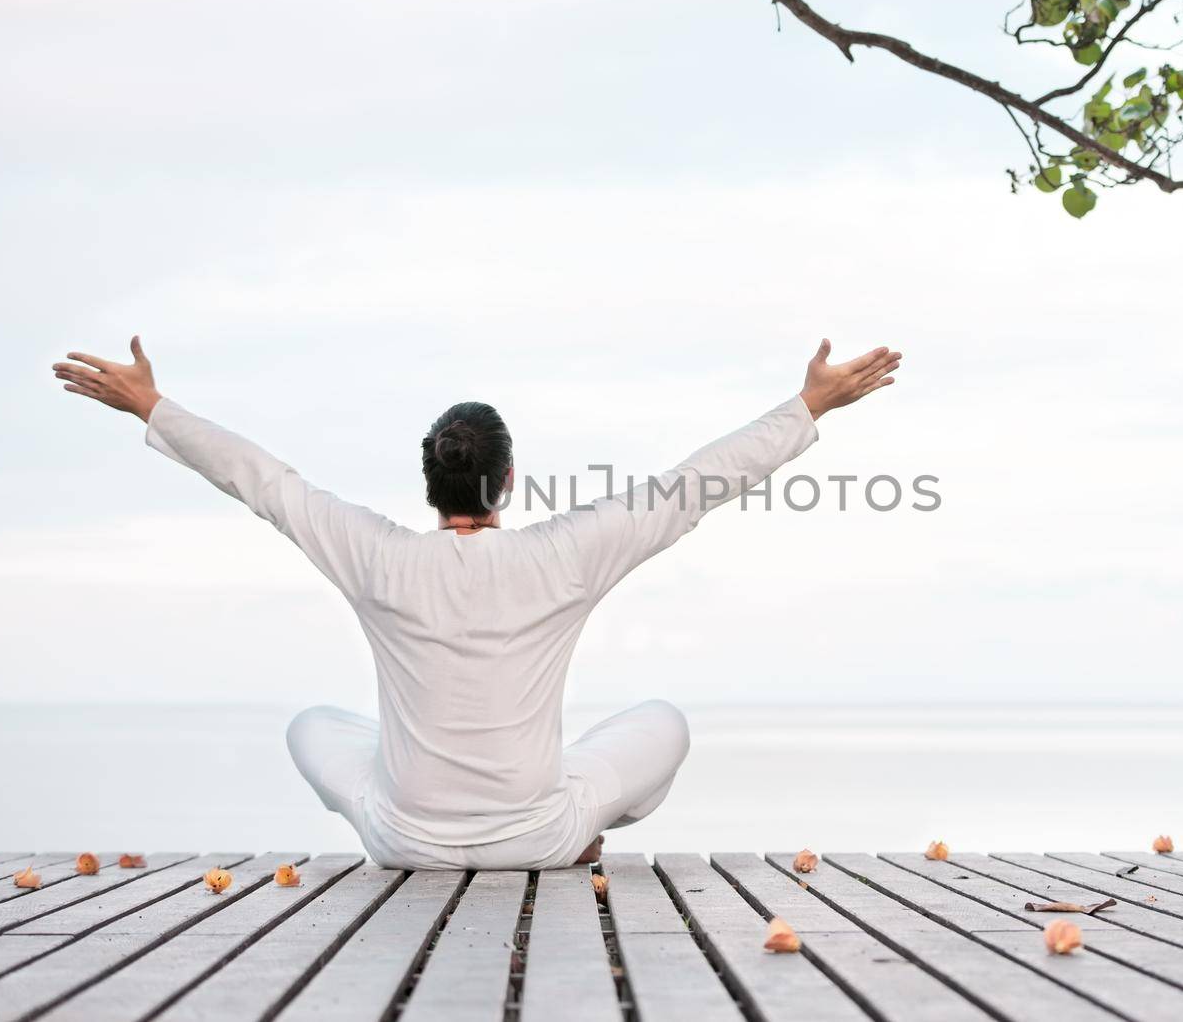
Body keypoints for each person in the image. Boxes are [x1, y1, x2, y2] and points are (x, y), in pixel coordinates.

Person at [52, 336, 902, 869]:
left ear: (429, 484)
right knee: (662, 721)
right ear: (509, 479)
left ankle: (490, 794)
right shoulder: (563, 554)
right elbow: (692, 487)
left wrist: (152, 404)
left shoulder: (375, 555)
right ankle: (584, 818)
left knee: (312, 723)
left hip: (404, 839)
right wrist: (810, 405)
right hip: (540, 833)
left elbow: (264, 482)